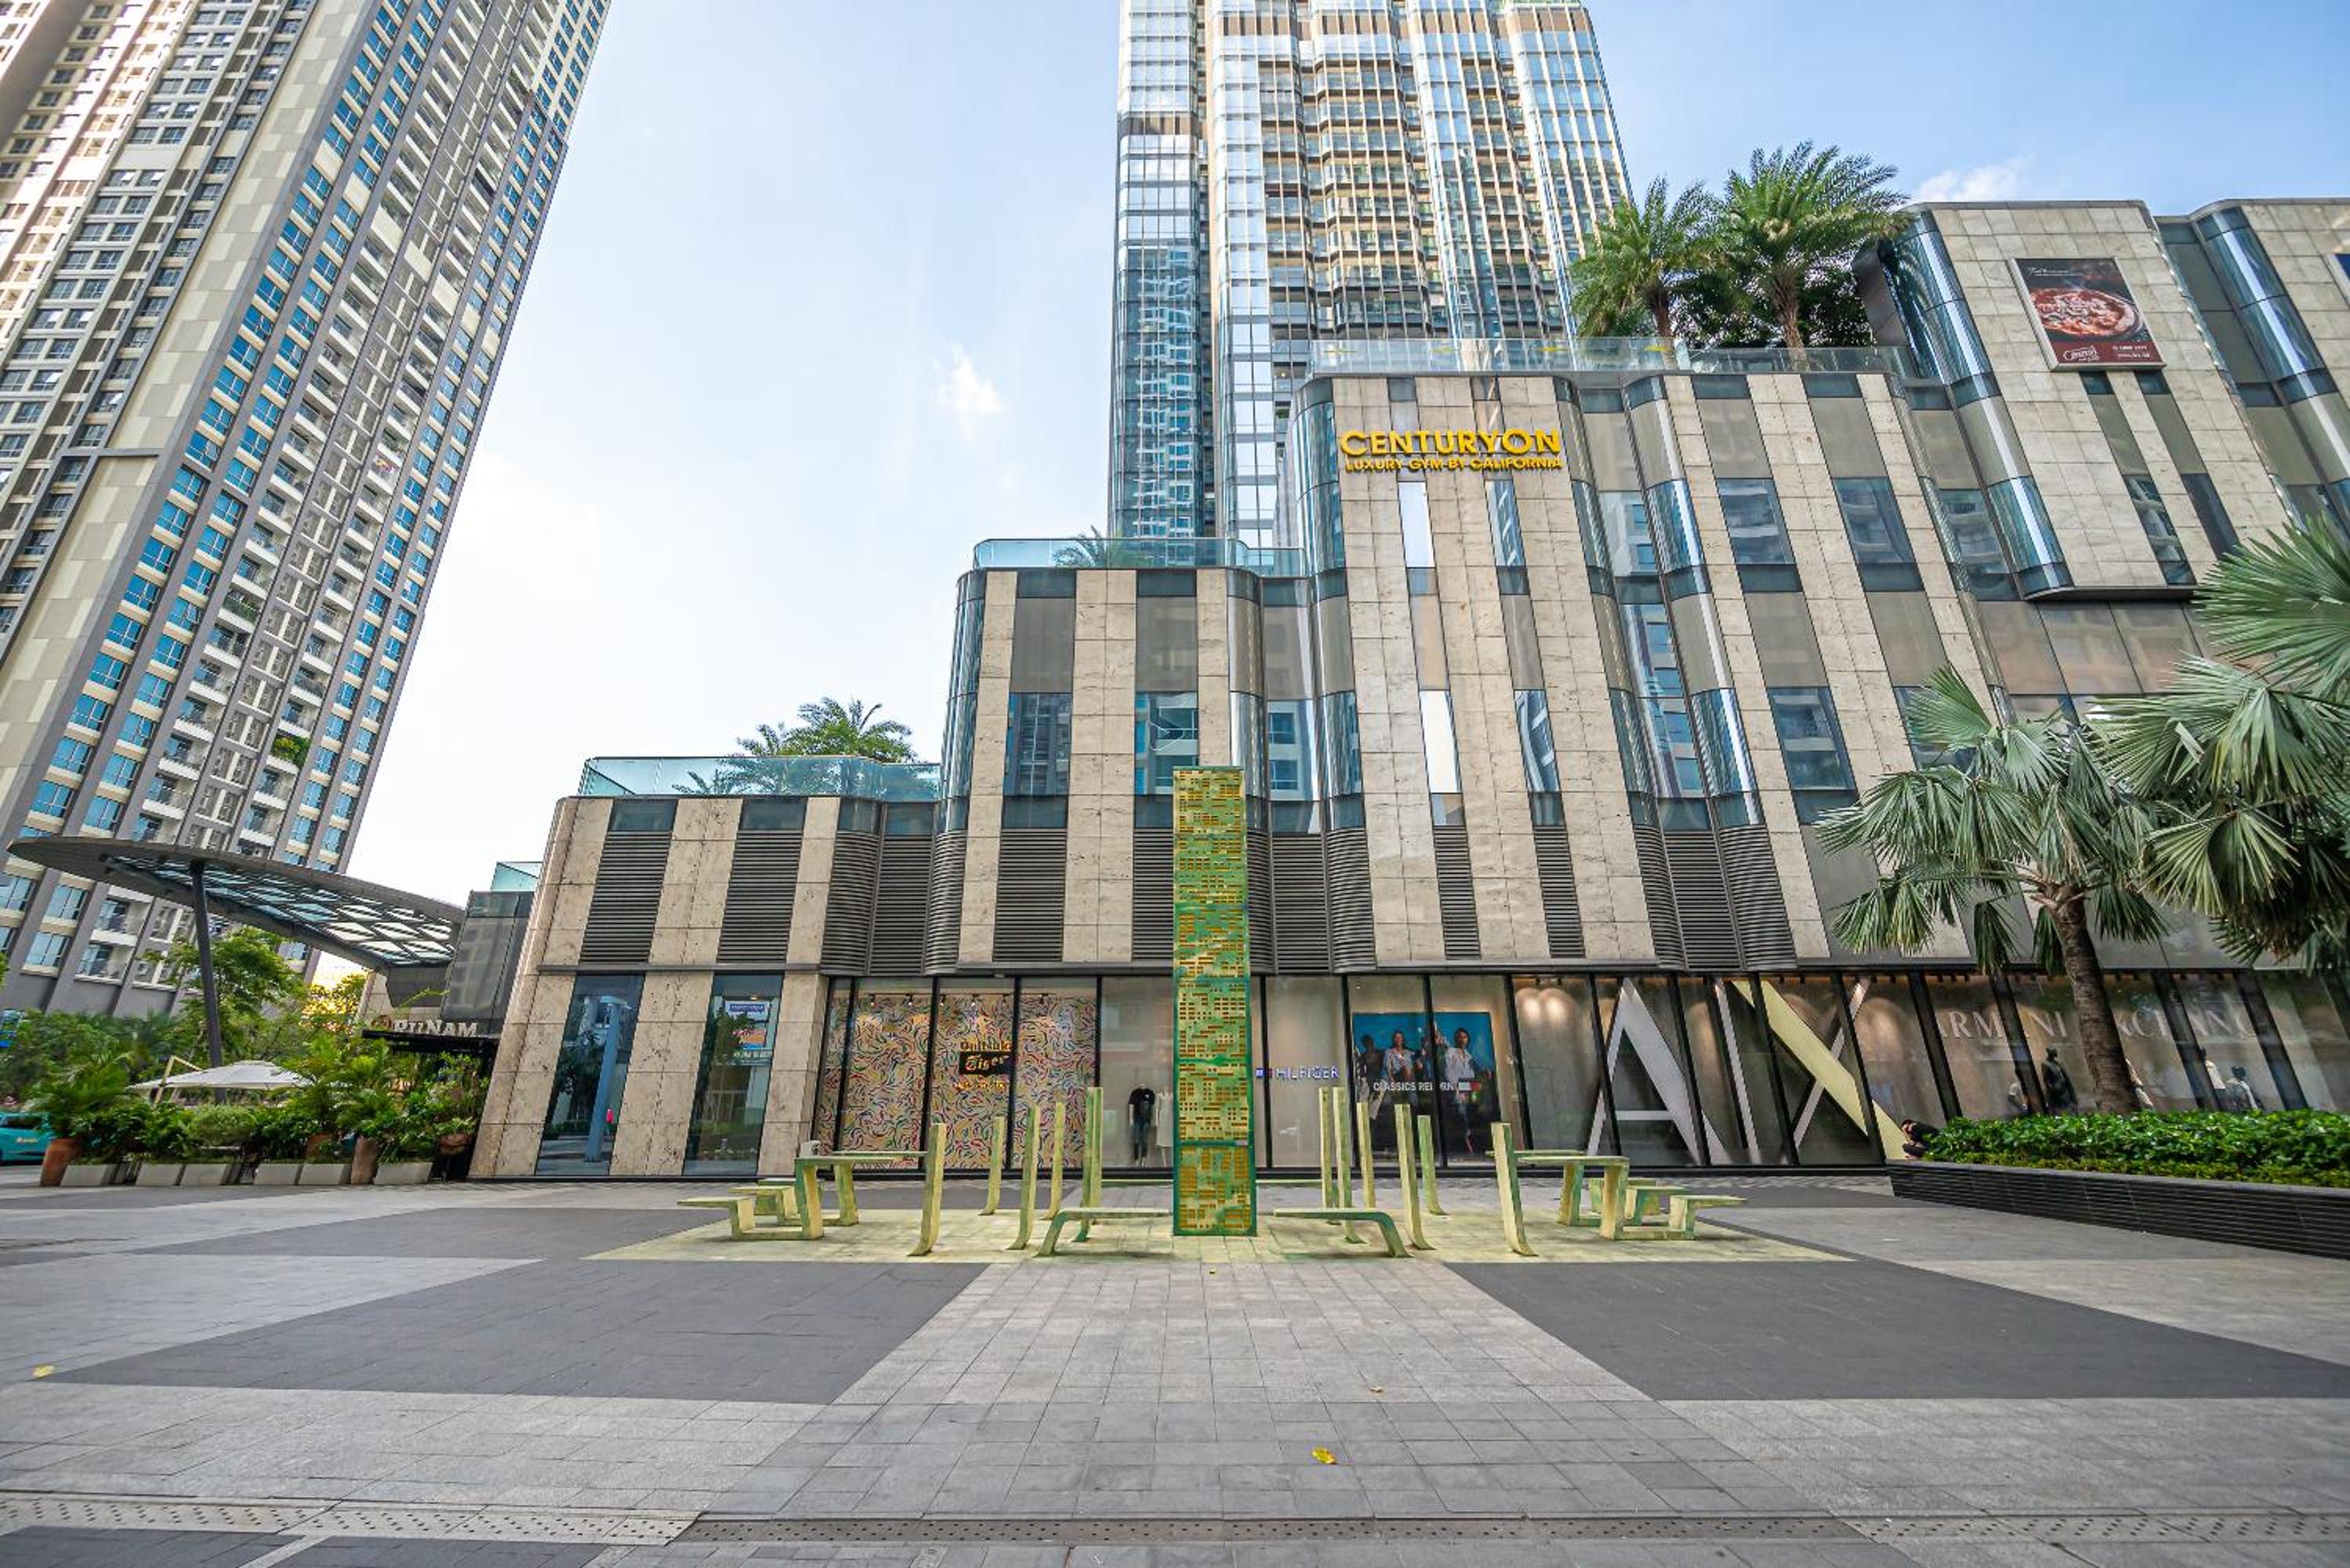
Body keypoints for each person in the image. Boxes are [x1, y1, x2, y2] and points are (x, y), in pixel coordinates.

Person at [1126, 1084, 1157, 1163]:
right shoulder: (1135, 1092)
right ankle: (1136, 1159)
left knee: (1145, 1140)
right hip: (1137, 1119)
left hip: (1146, 1119)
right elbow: (1131, 1106)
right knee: (1136, 1139)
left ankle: (1144, 1159)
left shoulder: (1150, 1093)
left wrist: (1154, 1120)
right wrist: (1131, 1118)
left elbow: (1153, 1107)